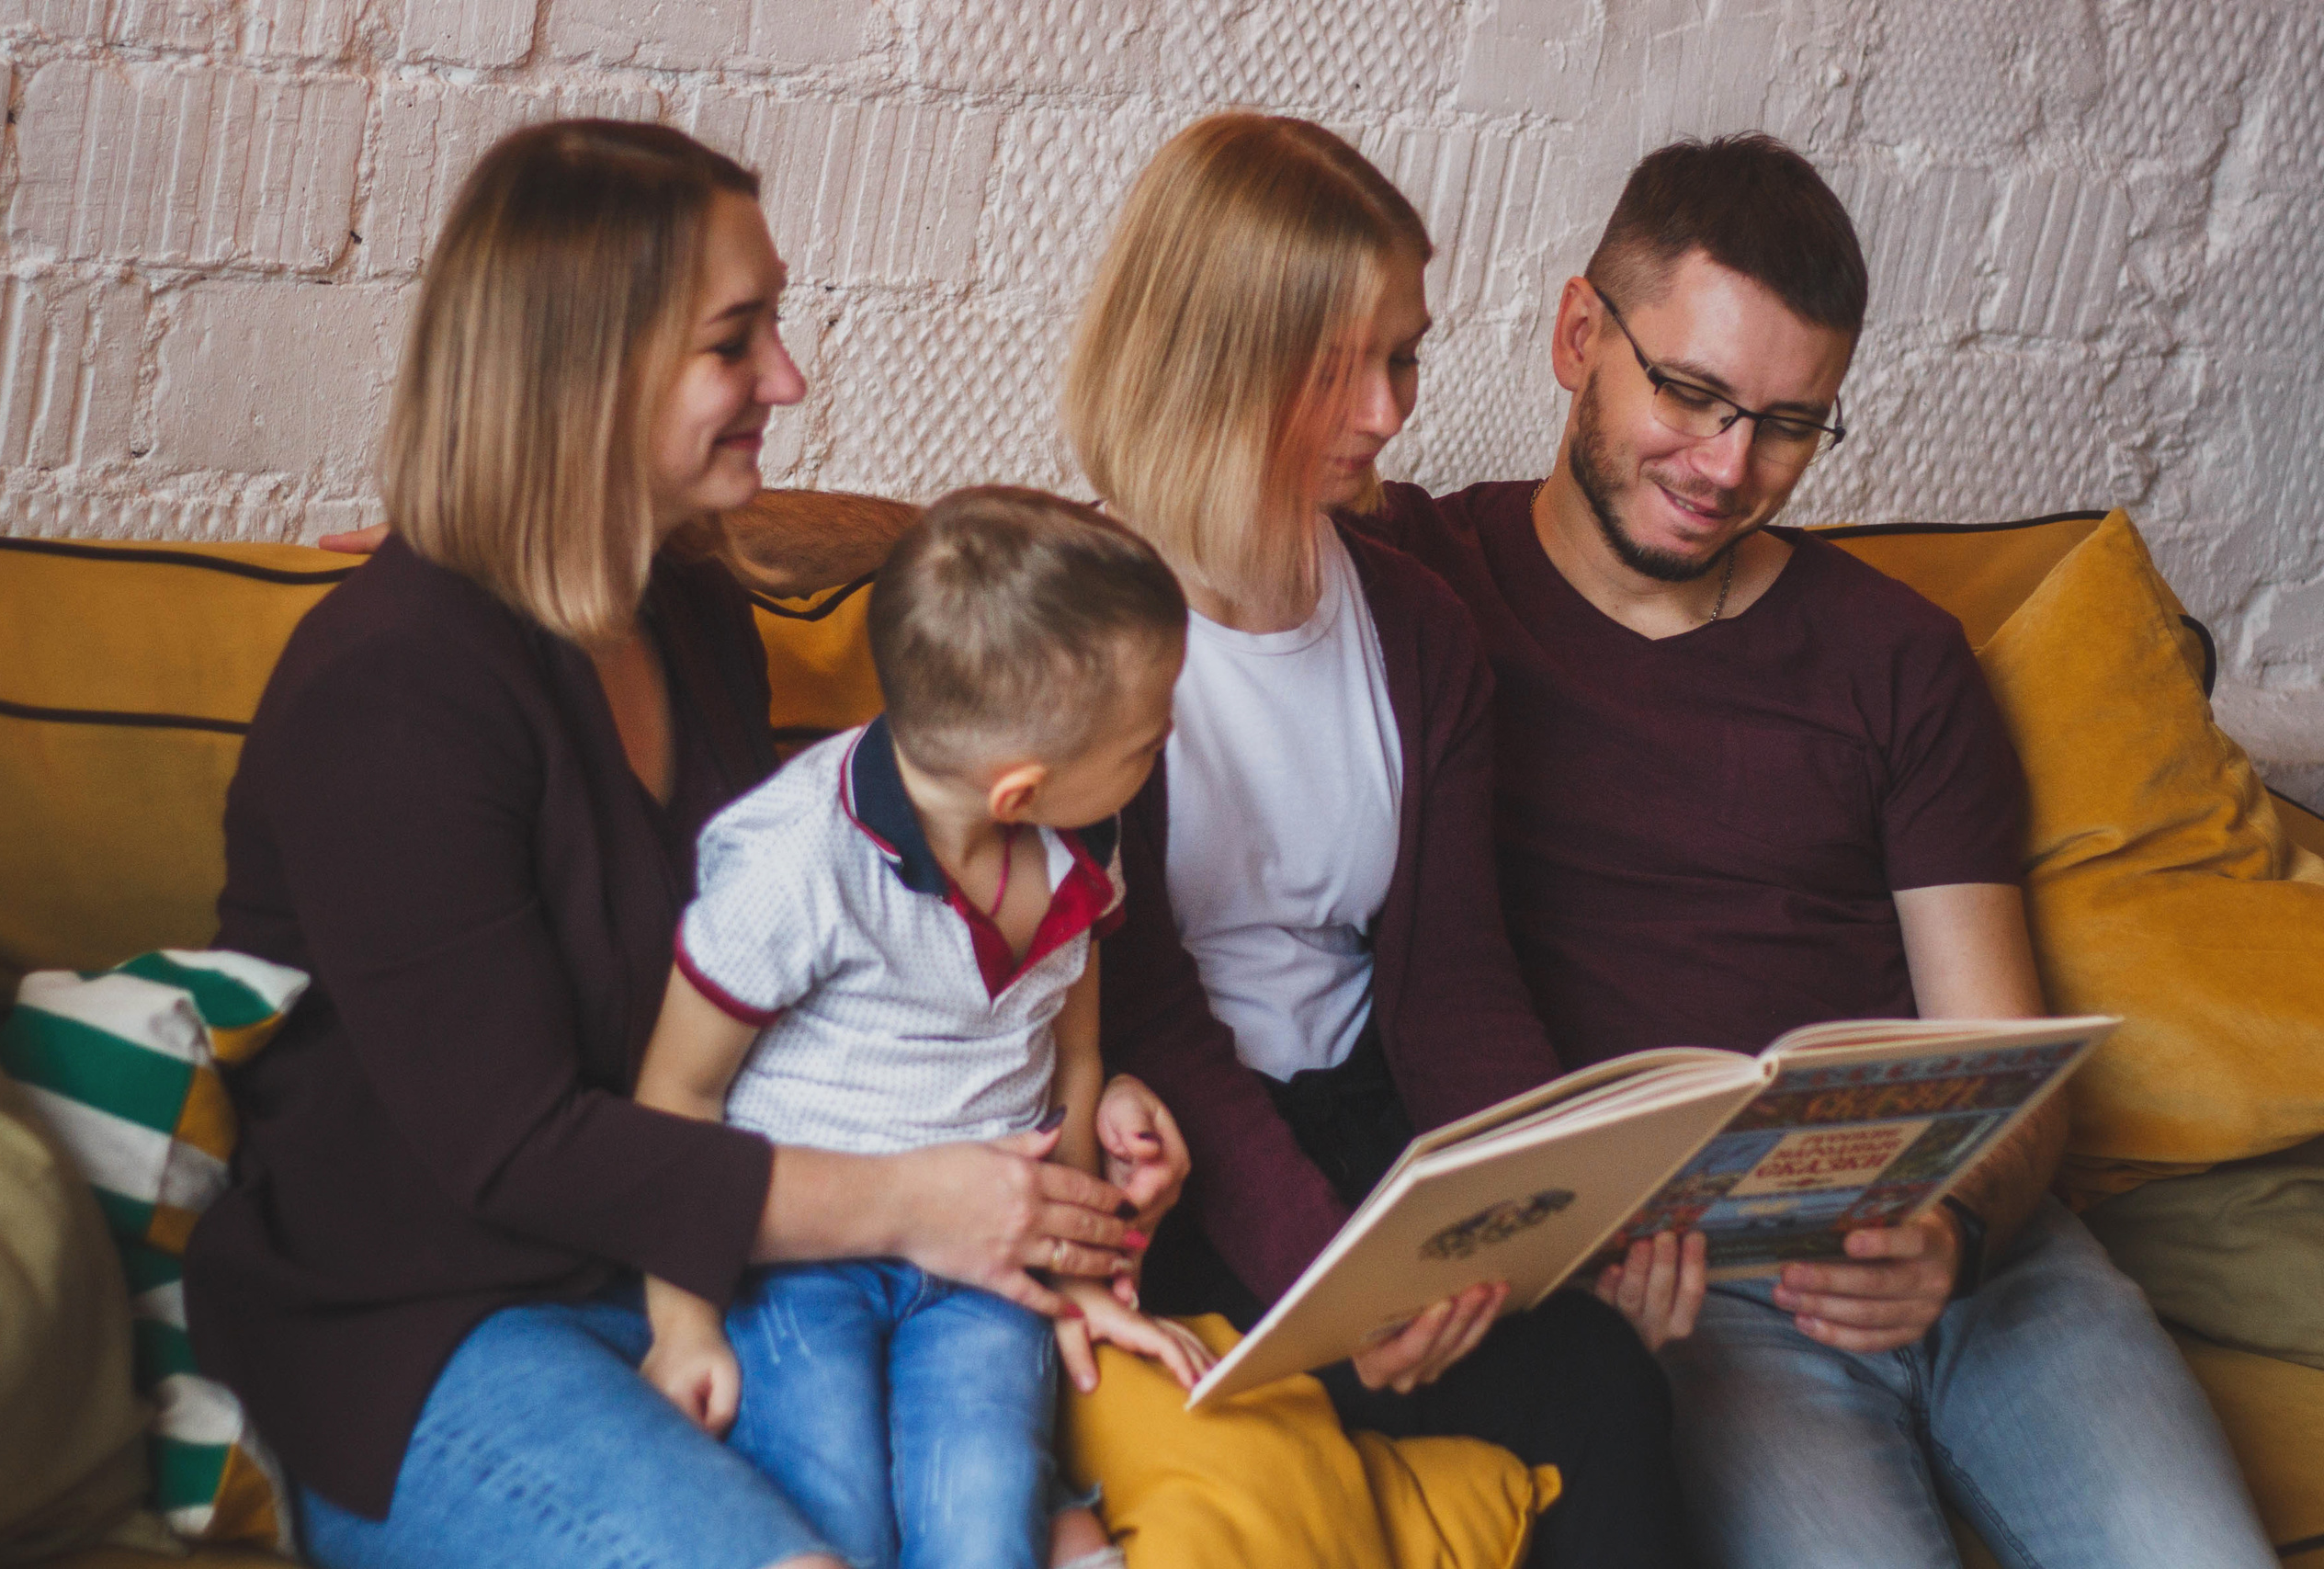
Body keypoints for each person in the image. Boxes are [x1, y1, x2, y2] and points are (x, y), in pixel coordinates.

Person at [186, 119, 1186, 1569]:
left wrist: (1049, 1123)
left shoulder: (691, 610)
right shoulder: (389, 688)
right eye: (739, 339)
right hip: (433, 1317)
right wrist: (935, 1200)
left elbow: (792, 969)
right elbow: (514, 1146)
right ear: (585, 373)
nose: (788, 376)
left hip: (701, 1275)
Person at [1354, 132, 2277, 1569]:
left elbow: (1999, 1050)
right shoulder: (1419, 592)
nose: (1728, 467)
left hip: (1981, 1254)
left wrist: (1956, 1231)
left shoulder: (1897, 657)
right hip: (1696, 1286)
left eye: (1790, 422)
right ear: (1577, 333)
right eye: (1691, 392)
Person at [1073, 113, 1694, 1567]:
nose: (1388, 409)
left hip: (1378, 1129)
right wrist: (1341, 1285)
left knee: (1618, 1380)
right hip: (1185, 1160)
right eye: (1337, 367)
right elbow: (1148, 1015)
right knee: (1583, 1391)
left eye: (1403, 354)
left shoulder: (1413, 619)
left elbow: (1457, 982)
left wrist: (1560, 1212)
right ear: (1218, 358)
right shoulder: (1079, 626)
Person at [632, 486, 1212, 1569]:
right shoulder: (794, 864)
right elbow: (675, 1096)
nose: (1165, 748)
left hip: (988, 1255)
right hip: (800, 1256)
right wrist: (683, 1323)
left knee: (981, 1521)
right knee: (836, 1514)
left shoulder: (1082, 834)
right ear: (1018, 790)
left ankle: (1058, 1522)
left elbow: (1072, 1055)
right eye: (1146, 741)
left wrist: (1081, 1276)